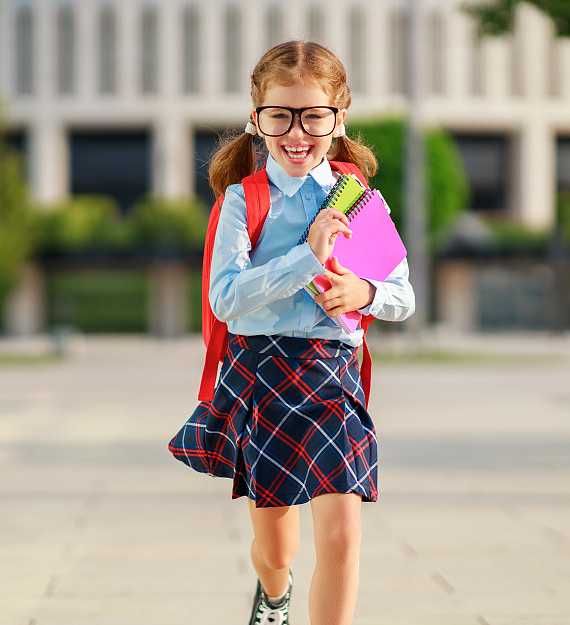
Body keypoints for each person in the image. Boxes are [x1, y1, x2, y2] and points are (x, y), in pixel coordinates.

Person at [168, 40, 415, 625]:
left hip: (334, 378)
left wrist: (365, 293)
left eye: (313, 116)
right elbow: (226, 299)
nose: (297, 133)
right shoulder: (242, 201)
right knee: (278, 551)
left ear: (339, 118)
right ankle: (274, 595)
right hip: (265, 376)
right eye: (280, 116)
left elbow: (403, 295)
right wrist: (307, 257)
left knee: (342, 538)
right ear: (257, 119)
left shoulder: (359, 199)